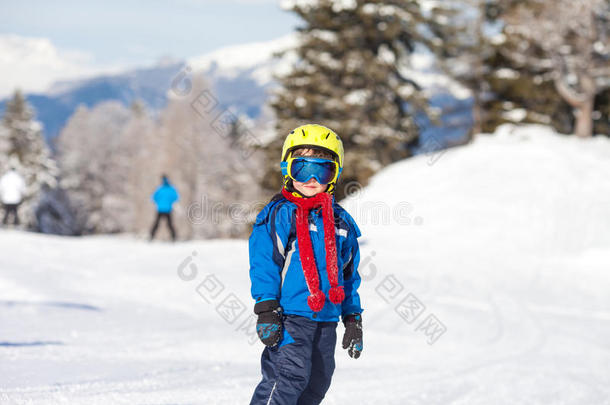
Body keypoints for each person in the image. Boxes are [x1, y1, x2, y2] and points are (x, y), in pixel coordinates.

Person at [249, 124, 363, 405]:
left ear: (334, 174)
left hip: (327, 320)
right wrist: (266, 308)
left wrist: (353, 318)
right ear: (288, 169)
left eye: (322, 170)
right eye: (302, 169)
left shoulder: (342, 223)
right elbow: (265, 262)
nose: (311, 179)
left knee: (318, 382)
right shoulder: (280, 214)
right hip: (291, 316)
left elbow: (348, 275)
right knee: (288, 377)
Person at [149, 174, 179, 241]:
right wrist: (170, 202)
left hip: (160, 209)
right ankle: (174, 238)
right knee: (170, 224)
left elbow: (152, 198)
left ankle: (151, 237)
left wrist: (157, 202)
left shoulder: (159, 189)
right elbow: (176, 197)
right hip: (168, 209)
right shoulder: (171, 189)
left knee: (156, 224)